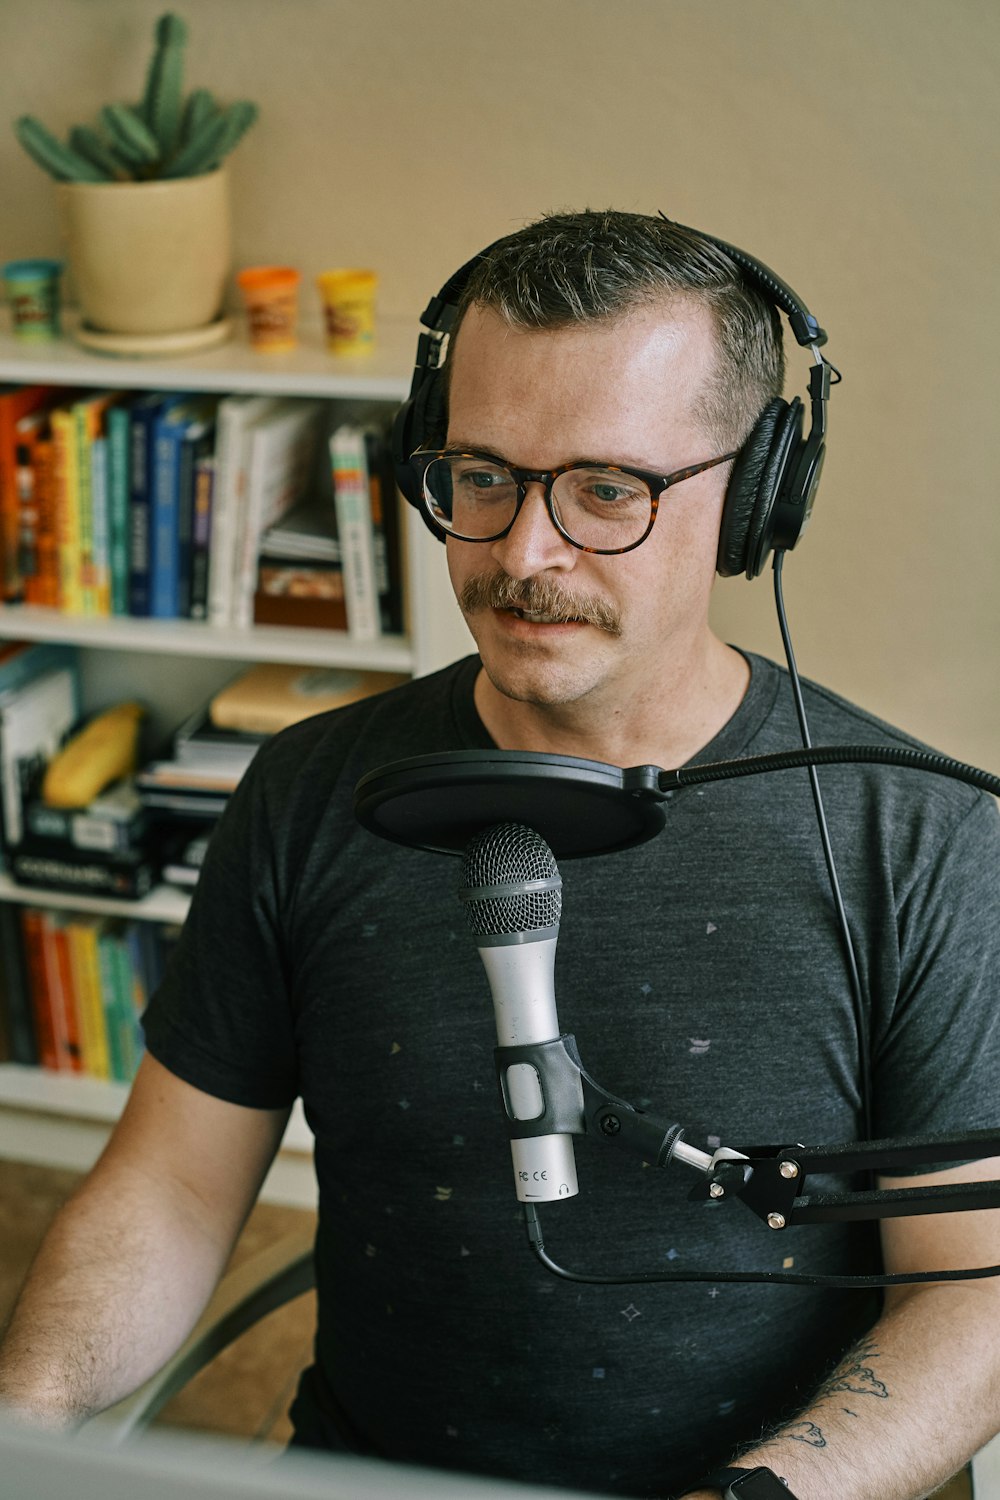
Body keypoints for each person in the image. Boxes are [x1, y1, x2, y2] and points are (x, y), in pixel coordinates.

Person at [1, 210, 998, 1500]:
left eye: (607, 490)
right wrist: (23, 1418)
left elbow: (973, 1300)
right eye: (481, 476)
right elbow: (173, 1191)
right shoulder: (310, 787)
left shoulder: (920, 840)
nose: (525, 555)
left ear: (755, 497)